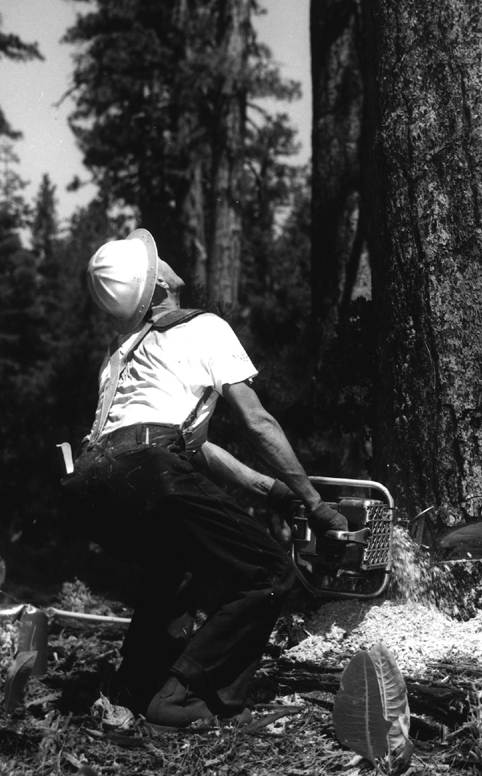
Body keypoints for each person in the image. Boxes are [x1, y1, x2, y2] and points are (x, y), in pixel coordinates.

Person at [60, 228, 347, 729]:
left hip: (90, 484)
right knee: (267, 573)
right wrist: (314, 502)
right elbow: (256, 422)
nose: (167, 260)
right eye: (157, 259)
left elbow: (189, 444)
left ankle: (135, 686)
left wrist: (272, 491)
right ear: (157, 285)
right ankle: (186, 696)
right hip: (148, 468)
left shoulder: (121, 353)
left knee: (173, 567)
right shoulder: (203, 326)